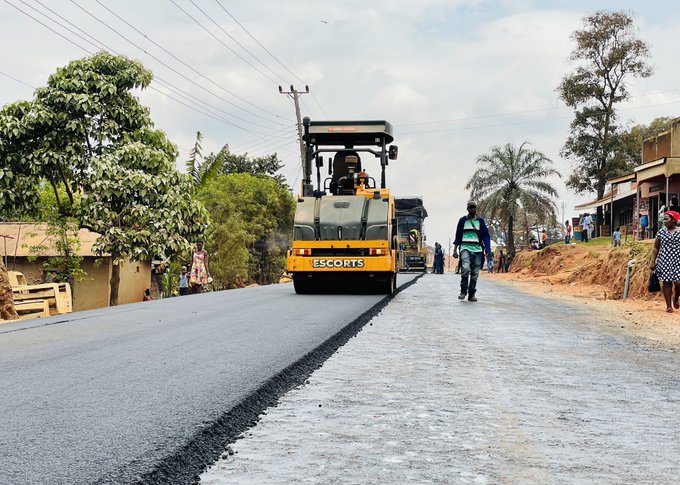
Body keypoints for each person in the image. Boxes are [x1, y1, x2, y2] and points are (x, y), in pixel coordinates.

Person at [453, 200, 491, 302]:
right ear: (467, 209)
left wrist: (488, 249)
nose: (472, 209)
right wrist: (455, 250)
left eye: (474, 207)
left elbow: (486, 236)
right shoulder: (462, 221)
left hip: (478, 249)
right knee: (465, 268)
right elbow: (458, 236)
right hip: (465, 248)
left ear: (476, 209)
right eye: (470, 207)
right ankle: (463, 291)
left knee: (475, 273)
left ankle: (472, 294)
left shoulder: (480, 221)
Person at [649, 211, 680, 313]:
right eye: (664, 219)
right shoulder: (661, 232)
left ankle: (676, 297)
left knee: (678, 282)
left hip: (678, 260)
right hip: (664, 260)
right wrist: (653, 261)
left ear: (674, 220)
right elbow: (655, 248)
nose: (664, 221)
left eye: (666, 219)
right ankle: (668, 305)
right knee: (667, 283)